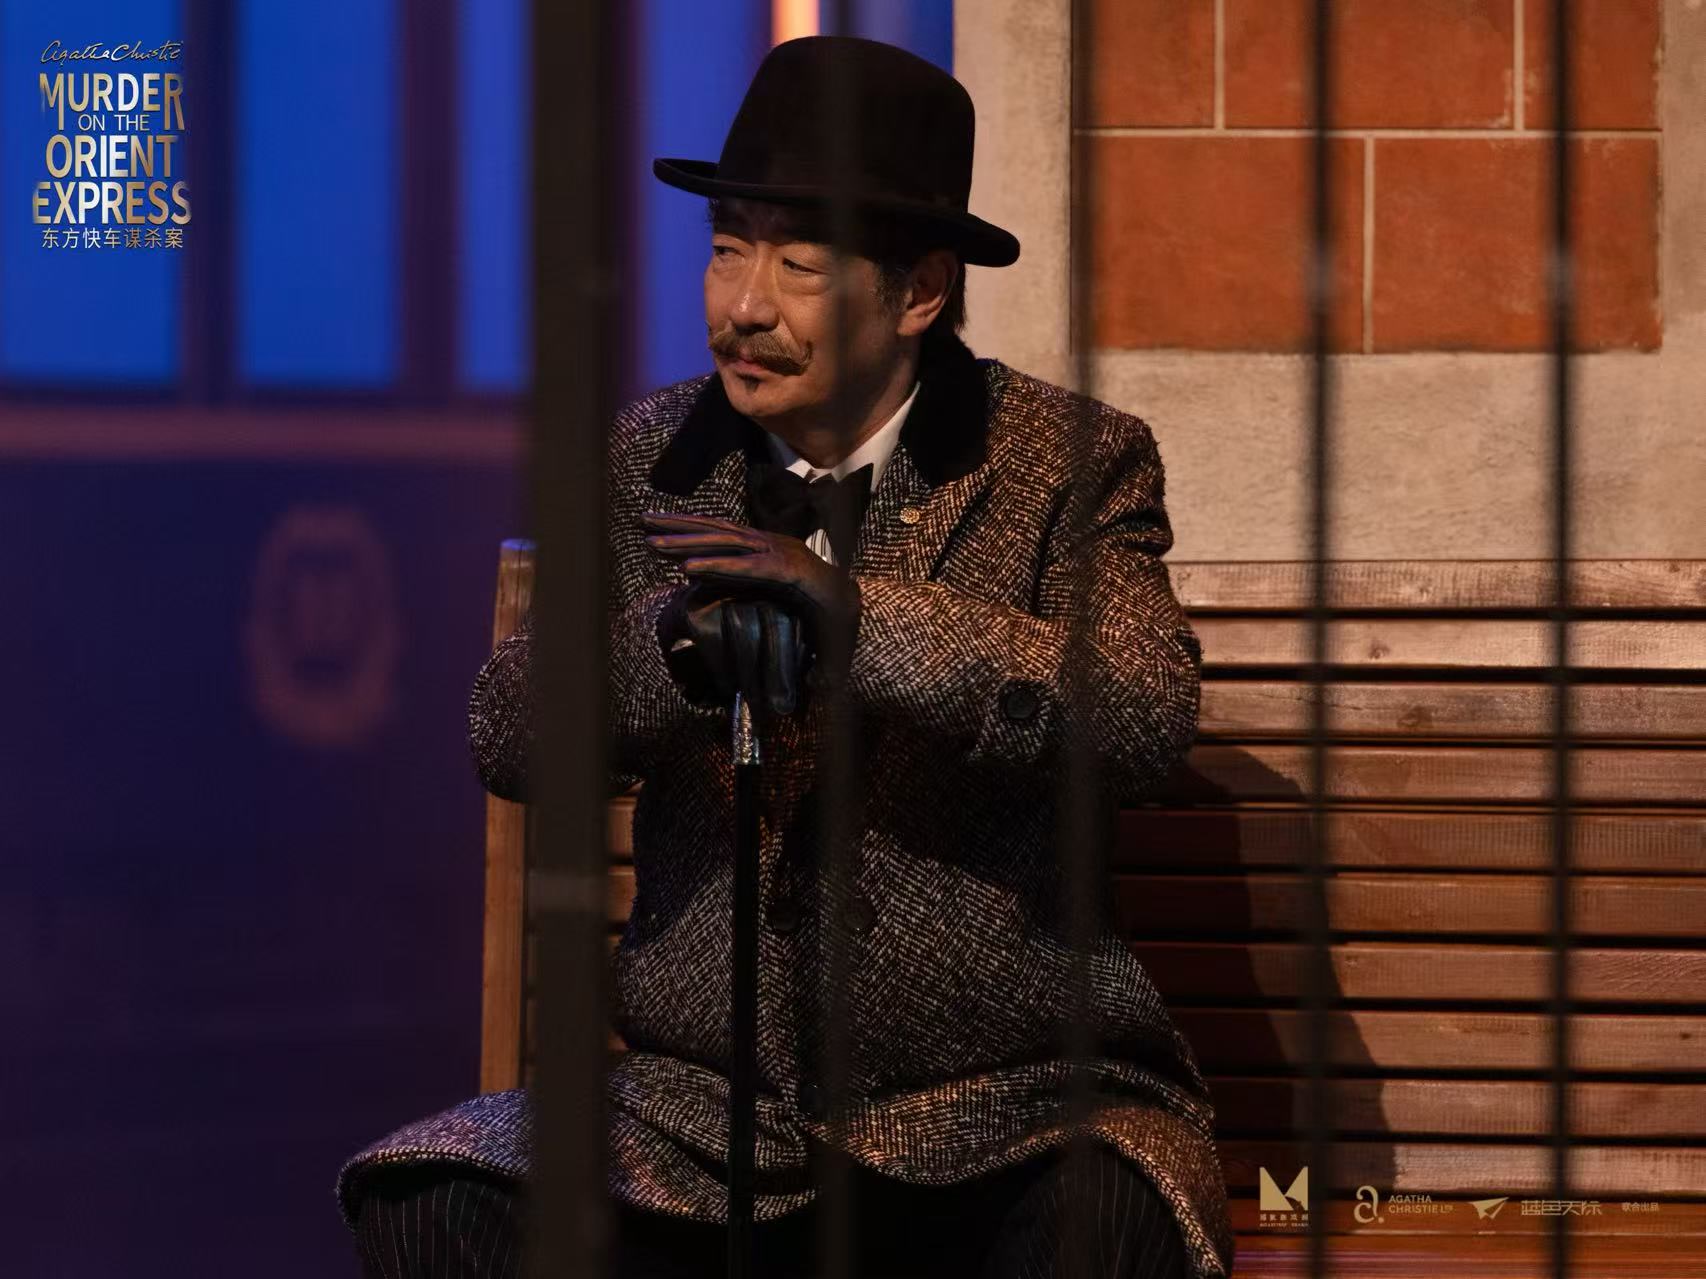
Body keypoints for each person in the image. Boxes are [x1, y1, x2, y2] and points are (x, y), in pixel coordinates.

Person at [336, 34, 1233, 1279]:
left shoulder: (1063, 460)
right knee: (431, 1200)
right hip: (706, 1120)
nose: (742, 305)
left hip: (1012, 1110)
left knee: (1100, 1226)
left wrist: (856, 620)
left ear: (918, 293)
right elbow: (509, 733)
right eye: (726, 248)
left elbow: (1137, 711)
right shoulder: (651, 456)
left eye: (797, 264)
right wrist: (667, 648)